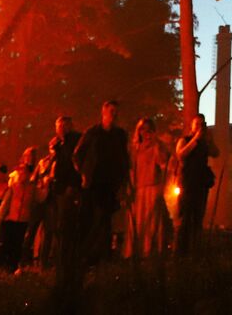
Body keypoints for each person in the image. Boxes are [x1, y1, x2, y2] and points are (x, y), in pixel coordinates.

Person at [74, 100, 131, 263]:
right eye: (111, 111)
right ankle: (87, 255)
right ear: (103, 112)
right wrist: (83, 174)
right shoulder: (92, 133)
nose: (114, 114)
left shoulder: (120, 135)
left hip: (110, 184)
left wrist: (124, 181)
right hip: (93, 183)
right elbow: (77, 155)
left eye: (116, 111)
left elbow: (123, 158)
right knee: (92, 219)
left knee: (105, 219)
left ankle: (102, 256)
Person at [174, 113, 218, 255]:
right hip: (187, 184)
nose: (199, 127)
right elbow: (180, 154)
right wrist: (195, 139)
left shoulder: (205, 143)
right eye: (197, 124)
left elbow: (216, 153)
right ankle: (181, 251)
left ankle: (195, 250)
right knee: (185, 218)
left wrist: (209, 140)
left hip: (201, 185)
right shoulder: (185, 140)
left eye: (202, 124)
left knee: (198, 218)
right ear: (192, 126)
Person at [127, 118, 170, 259]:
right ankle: (136, 252)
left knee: (153, 222)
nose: (145, 132)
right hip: (138, 189)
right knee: (139, 223)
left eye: (148, 129)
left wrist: (156, 144)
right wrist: (130, 187)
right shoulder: (135, 148)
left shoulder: (158, 146)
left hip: (152, 187)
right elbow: (132, 169)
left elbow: (163, 163)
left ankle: (151, 251)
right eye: (142, 129)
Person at [44, 116, 81, 268]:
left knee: (66, 222)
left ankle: (67, 258)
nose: (62, 129)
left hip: (69, 185)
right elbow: (53, 162)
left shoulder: (75, 140)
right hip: (56, 187)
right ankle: (56, 258)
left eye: (65, 126)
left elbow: (71, 160)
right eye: (59, 126)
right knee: (55, 224)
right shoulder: (57, 143)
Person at [0, 149, 38, 270]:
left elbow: (39, 199)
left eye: (25, 173)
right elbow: (5, 204)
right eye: (21, 173)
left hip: (23, 221)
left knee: (17, 244)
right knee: (6, 244)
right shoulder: (13, 187)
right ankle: (3, 268)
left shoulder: (31, 188)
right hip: (11, 219)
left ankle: (13, 267)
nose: (23, 175)